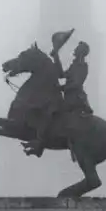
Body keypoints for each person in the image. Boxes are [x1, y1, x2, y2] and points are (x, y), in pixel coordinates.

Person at [26, 29, 82, 158]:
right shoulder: (75, 65)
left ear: (82, 52)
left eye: (77, 49)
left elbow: (77, 83)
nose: (74, 51)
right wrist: (55, 55)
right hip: (68, 95)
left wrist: (62, 88)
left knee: (50, 111)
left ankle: (40, 143)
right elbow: (61, 74)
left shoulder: (82, 66)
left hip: (75, 98)